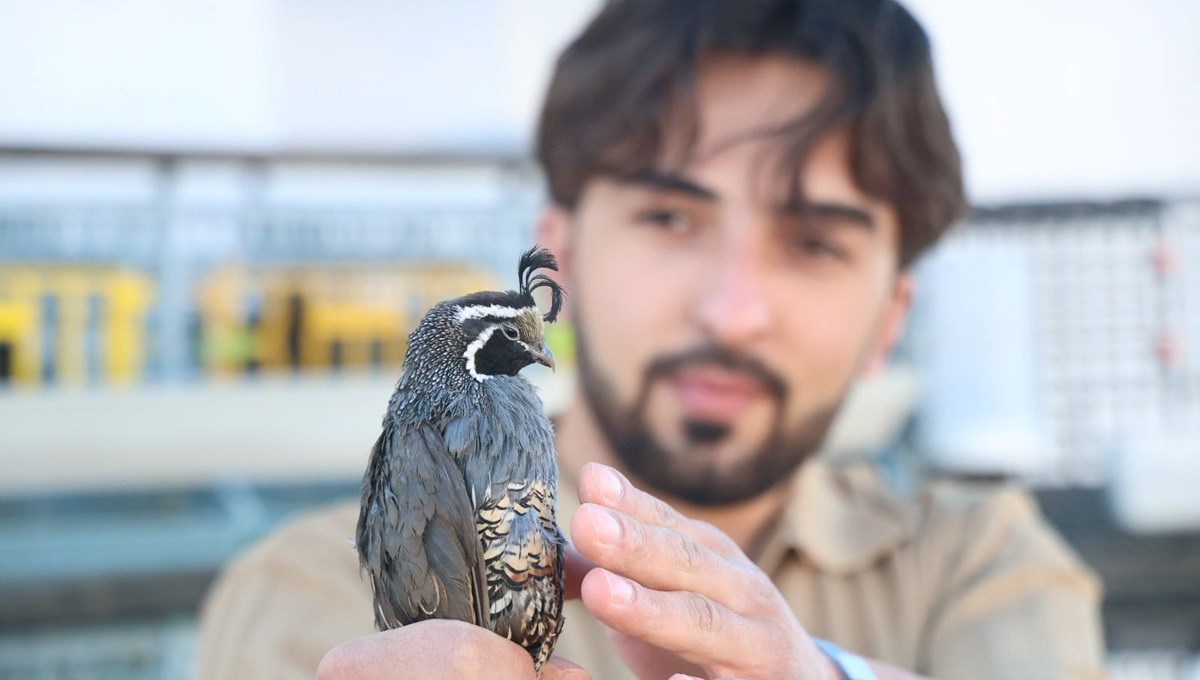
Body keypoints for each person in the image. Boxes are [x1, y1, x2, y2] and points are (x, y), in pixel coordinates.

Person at [196, 1, 1109, 678]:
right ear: (567, 257)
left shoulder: (981, 565)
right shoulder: (315, 589)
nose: (734, 310)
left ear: (890, 319)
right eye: (671, 218)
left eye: (816, 243)